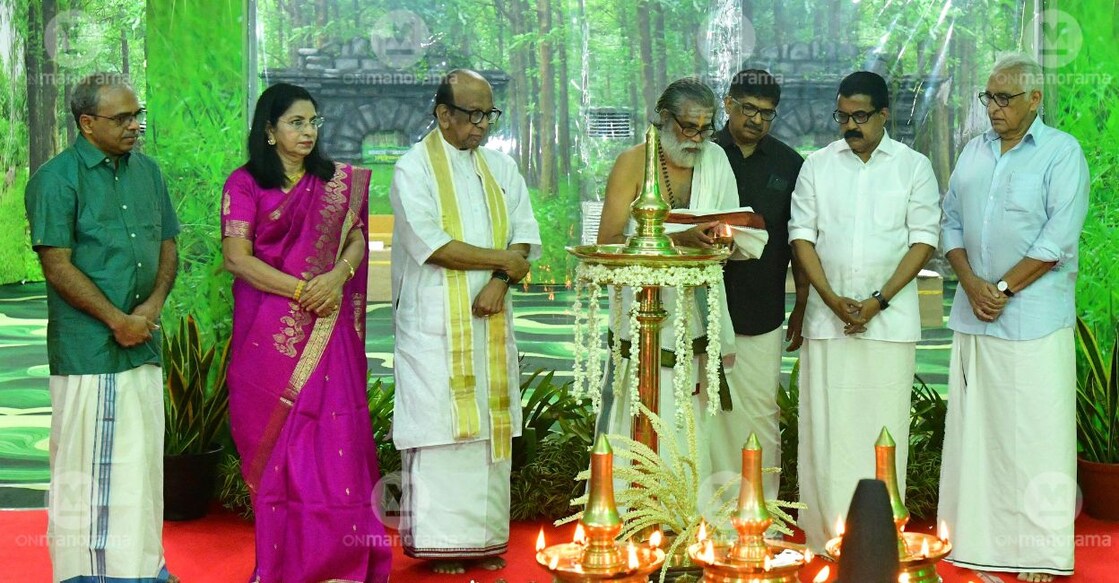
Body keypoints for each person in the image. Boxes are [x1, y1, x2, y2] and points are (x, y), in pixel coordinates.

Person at [221, 82, 391, 583]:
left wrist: (337, 277)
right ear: (269, 131)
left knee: (337, 441)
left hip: (328, 329)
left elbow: (359, 238)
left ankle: (341, 565)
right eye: (296, 122)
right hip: (270, 331)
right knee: (283, 451)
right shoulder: (245, 184)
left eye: (313, 122)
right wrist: (302, 291)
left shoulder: (338, 182)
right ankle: (286, 567)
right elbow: (237, 258)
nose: (308, 132)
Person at [937, 54, 1089, 583]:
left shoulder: (1061, 153)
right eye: (989, 98)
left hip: (1033, 321)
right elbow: (950, 221)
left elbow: (1057, 240)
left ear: (1034, 100)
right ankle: (972, 541)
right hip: (974, 314)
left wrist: (1000, 288)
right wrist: (971, 284)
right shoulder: (972, 153)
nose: (993, 109)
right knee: (978, 434)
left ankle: (1037, 554)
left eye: (1004, 99)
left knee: (1034, 436)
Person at [25, 72, 179, 583]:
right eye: (123, 118)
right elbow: (57, 264)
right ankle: (89, 575)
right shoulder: (56, 178)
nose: (136, 126)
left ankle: (143, 568)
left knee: (143, 465)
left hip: (142, 343)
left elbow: (167, 248)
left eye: (139, 115)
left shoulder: (149, 173)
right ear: (87, 124)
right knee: (89, 471)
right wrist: (117, 321)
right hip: (89, 349)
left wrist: (149, 312)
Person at [389, 69, 541, 575]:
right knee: (441, 429)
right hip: (434, 324)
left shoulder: (501, 167)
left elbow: (523, 239)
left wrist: (501, 281)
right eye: (472, 115)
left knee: (488, 433)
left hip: (491, 320)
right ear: (443, 114)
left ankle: (484, 539)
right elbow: (432, 246)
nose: (481, 126)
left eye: (489, 115)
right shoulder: (413, 169)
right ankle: (439, 545)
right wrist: (502, 260)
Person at [788, 71, 940, 552]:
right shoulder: (817, 165)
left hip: (889, 324)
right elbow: (801, 236)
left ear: (884, 114)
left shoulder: (914, 167)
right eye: (843, 116)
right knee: (826, 430)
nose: (849, 125)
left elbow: (923, 241)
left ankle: (878, 540)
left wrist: (878, 301)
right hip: (827, 322)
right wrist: (832, 300)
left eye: (860, 116)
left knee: (883, 428)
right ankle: (824, 539)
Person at [595, 77, 739, 480]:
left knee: (690, 407)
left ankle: (687, 509)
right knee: (638, 400)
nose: (697, 138)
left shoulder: (716, 161)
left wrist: (720, 242)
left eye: (706, 128)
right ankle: (629, 508)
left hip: (696, 308)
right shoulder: (632, 162)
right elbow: (607, 242)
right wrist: (679, 241)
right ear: (662, 118)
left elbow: (730, 229)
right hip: (641, 311)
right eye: (687, 127)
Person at [711, 69, 807, 497]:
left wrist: (801, 304)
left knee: (761, 410)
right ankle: (705, 511)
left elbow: (801, 241)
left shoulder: (790, 164)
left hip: (762, 309)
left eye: (767, 114)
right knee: (705, 412)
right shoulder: (703, 153)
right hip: (702, 308)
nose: (756, 120)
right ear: (728, 103)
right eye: (748, 108)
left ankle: (760, 511)